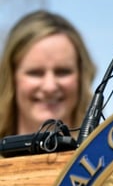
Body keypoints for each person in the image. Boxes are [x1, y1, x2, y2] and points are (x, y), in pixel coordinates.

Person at [0, 10, 96, 138]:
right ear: (11, 77)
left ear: (81, 76)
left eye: (63, 72)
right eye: (35, 73)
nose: (50, 87)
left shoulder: (107, 150)